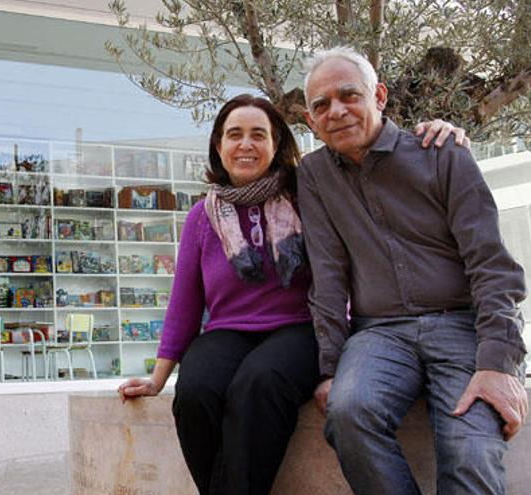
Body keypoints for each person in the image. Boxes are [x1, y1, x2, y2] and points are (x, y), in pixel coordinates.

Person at [117, 93, 466, 494]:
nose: (246, 145)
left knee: (259, 383)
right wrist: (158, 378)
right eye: (234, 135)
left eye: (258, 135)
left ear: (277, 144)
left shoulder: (309, 194)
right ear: (218, 145)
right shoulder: (201, 216)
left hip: (299, 329)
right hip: (227, 331)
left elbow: (364, 156)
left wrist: (434, 133)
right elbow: (185, 301)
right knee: (196, 392)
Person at [298, 46, 528, 495]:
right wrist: (330, 369)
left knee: (471, 451)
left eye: (350, 95)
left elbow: (491, 264)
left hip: (462, 326)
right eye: (321, 105)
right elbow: (326, 276)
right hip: (379, 334)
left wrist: (499, 361)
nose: (337, 111)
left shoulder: (441, 153)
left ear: (379, 96)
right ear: (310, 121)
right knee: (348, 414)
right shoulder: (314, 175)